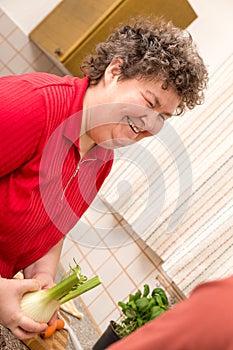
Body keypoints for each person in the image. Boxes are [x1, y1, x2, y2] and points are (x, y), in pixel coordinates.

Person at [0, 16, 208, 340]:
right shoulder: (33, 106)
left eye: (163, 117)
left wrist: (44, 277)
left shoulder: (101, 155)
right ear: (114, 71)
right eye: (150, 103)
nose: (151, 125)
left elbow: (52, 225)